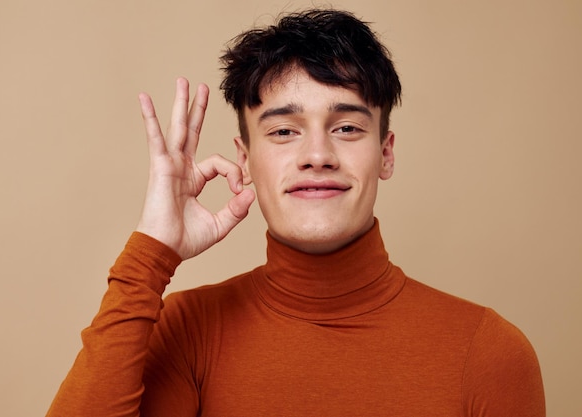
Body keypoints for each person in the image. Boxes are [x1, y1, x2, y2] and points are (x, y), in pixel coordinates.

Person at [46, 9, 545, 417]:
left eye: (347, 127)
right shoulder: (187, 331)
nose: (317, 154)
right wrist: (150, 255)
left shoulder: (488, 353)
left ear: (386, 153)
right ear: (244, 159)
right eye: (283, 131)